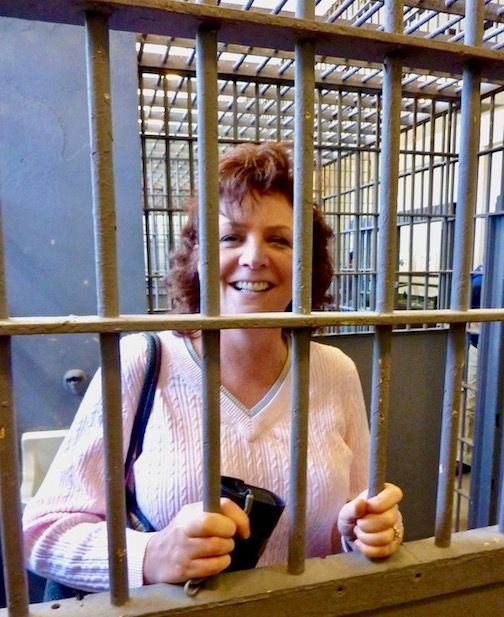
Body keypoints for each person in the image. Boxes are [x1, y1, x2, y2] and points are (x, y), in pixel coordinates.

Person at [23, 142, 403, 594]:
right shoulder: (143, 362)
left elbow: (357, 514)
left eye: (280, 240)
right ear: (198, 255)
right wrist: (152, 555)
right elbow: (42, 531)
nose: (254, 257)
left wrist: (368, 531)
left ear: (307, 264)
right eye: (231, 237)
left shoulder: (335, 371)